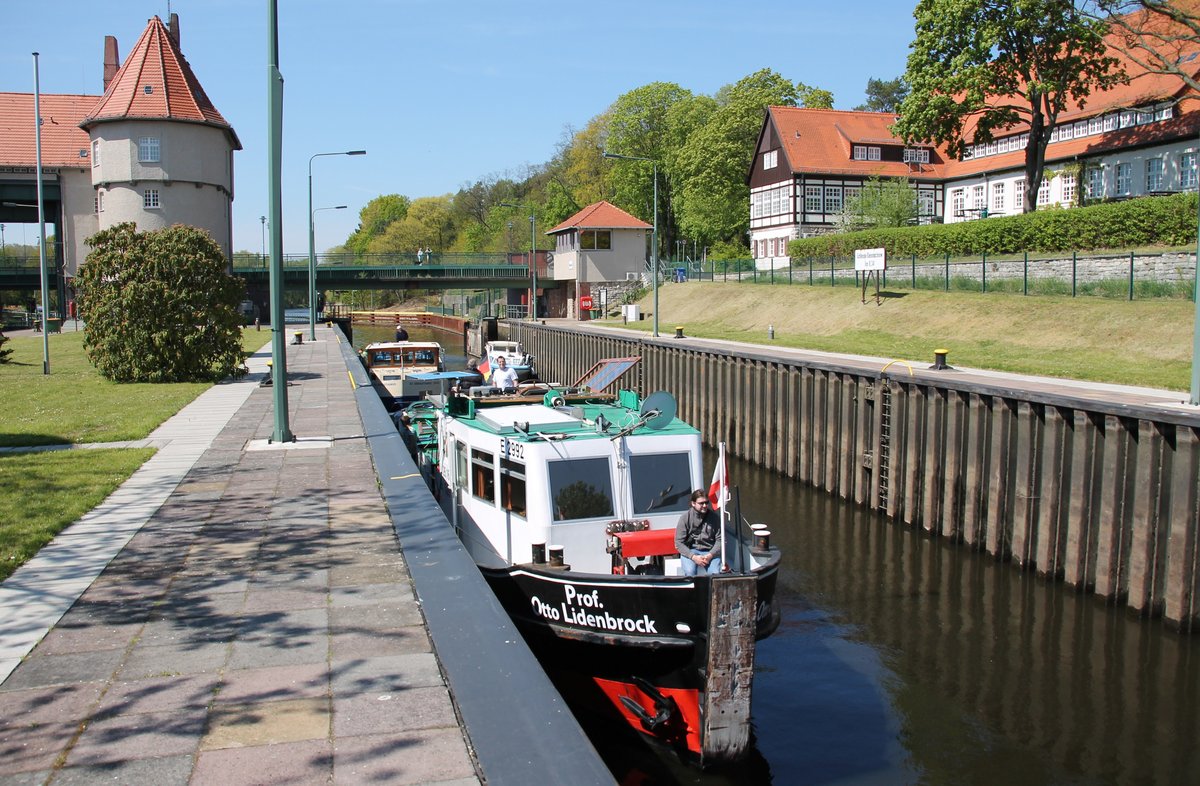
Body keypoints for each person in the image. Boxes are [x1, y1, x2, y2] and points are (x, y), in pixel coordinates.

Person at [675, 490, 722, 576]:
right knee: (690, 572)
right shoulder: (685, 518)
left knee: (715, 574)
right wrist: (693, 557)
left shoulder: (715, 518)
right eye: (701, 503)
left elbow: (720, 540)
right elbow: (678, 543)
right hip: (691, 551)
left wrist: (710, 555)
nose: (704, 506)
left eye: (706, 502)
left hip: (710, 551)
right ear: (693, 503)